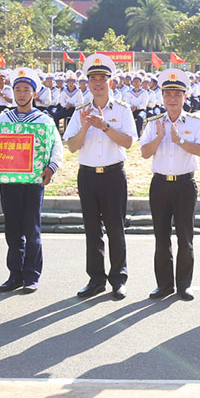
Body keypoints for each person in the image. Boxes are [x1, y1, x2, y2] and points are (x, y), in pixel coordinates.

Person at [64, 54, 137, 300]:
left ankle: (118, 279)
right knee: (92, 229)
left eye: (102, 79)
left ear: (110, 82)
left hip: (113, 175)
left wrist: (104, 126)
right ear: (87, 83)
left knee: (115, 228)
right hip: (87, 176)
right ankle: (96, 279)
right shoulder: (80, 111)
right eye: (93, 79)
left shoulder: (122, 110)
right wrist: (86, 126)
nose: (97, 83)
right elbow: (72, 146)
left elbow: (128, 142)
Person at [140, 70, 200, 301]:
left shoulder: (195, 122)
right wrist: (159, 137)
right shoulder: (154, 123)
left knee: (185, 237)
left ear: (184, 96)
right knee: (161, 238)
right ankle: (163, 285)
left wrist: (179, 140)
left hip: (184, 185)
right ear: (162, 97)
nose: (172, 98)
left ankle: (184, 285)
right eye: (168, 94)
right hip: (160, 184)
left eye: (177, 94)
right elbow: (144, 153)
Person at [0, 68, 63, 293]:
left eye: (26, 90)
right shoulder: (2, 118)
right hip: (9, 181)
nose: (21, 94)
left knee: (32, 229)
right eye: (18, 90)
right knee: (12, 229)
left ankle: (31, 275)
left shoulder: (43, 120)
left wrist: (51, 167)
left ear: (34, 93)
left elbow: (57, 147)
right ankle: (15, 274)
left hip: (33, 181)